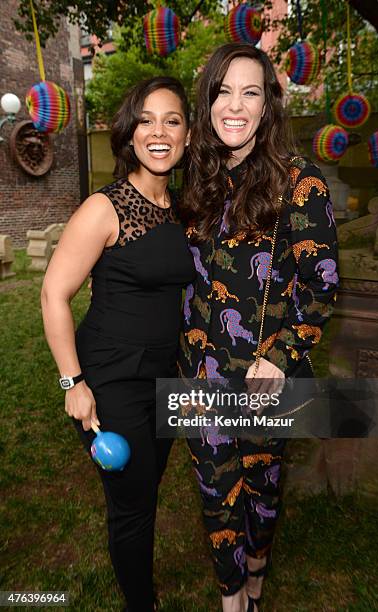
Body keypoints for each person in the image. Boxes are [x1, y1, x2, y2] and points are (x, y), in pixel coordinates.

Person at [178, 43, 339, 612]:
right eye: (223, 91)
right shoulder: (194, 187)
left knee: (261, 494)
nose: (235, 105)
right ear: (208, 102)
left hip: (267, 382)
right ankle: (232, 602)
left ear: (268, 105)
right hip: (200, 379)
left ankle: (256, 580)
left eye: (250, 92)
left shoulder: (301, 182)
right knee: (216, 499)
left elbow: (322, 285)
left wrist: (284, 356)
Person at [41, 76, 195, 612]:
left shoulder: (181, 208)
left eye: (172, 121)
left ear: (188, 136)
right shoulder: (104, 209)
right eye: (146, 121)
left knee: (145, 492)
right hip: (109, 379)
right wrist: (73, 382)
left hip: (165, 377)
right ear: (130, 135)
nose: (159, 132)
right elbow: (53, 295)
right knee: (132, 504)